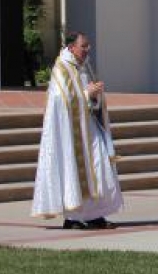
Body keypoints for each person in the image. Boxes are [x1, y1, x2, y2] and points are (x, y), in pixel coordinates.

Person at [31, 32, 122, 229]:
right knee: (74, 171)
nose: (87, 50)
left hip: (88, 127)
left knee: (99, 167)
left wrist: (96, 97)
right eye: (84, 46)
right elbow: (59, 101)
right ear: (72, 48)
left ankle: (94, 215)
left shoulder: (85, 66)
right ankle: (72, 217)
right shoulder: (61, 69)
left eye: (88, 46)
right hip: (71, 133)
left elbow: (90, 100)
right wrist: (87, 94)